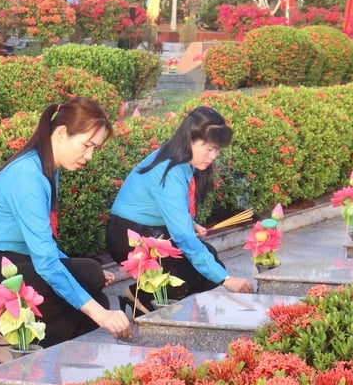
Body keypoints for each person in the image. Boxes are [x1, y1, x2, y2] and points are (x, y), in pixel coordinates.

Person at [0, 97, 132, 364]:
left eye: (95, 148)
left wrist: (86, 290)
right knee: (90, 288)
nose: (89, 156)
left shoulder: (45, 168)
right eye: (87, 145)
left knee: (95, 294)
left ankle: (3, 332)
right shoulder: (27, 175)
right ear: (61, 133)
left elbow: (42, 244)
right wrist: (101, 315)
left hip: (9, 264)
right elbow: (45, 262)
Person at [106, 105, 254, 315]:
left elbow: (170, 209)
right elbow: (183, 237)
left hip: (150, 229)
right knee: (196, 269)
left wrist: (189, 223)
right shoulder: (170, 169)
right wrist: (227, 280)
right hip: (128, 236)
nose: (213, 156)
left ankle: (143, 296)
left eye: (217, 150)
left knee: (207, 259)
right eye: (209, 148)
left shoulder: (180, 159)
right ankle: (143, 300)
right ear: (190, 140)